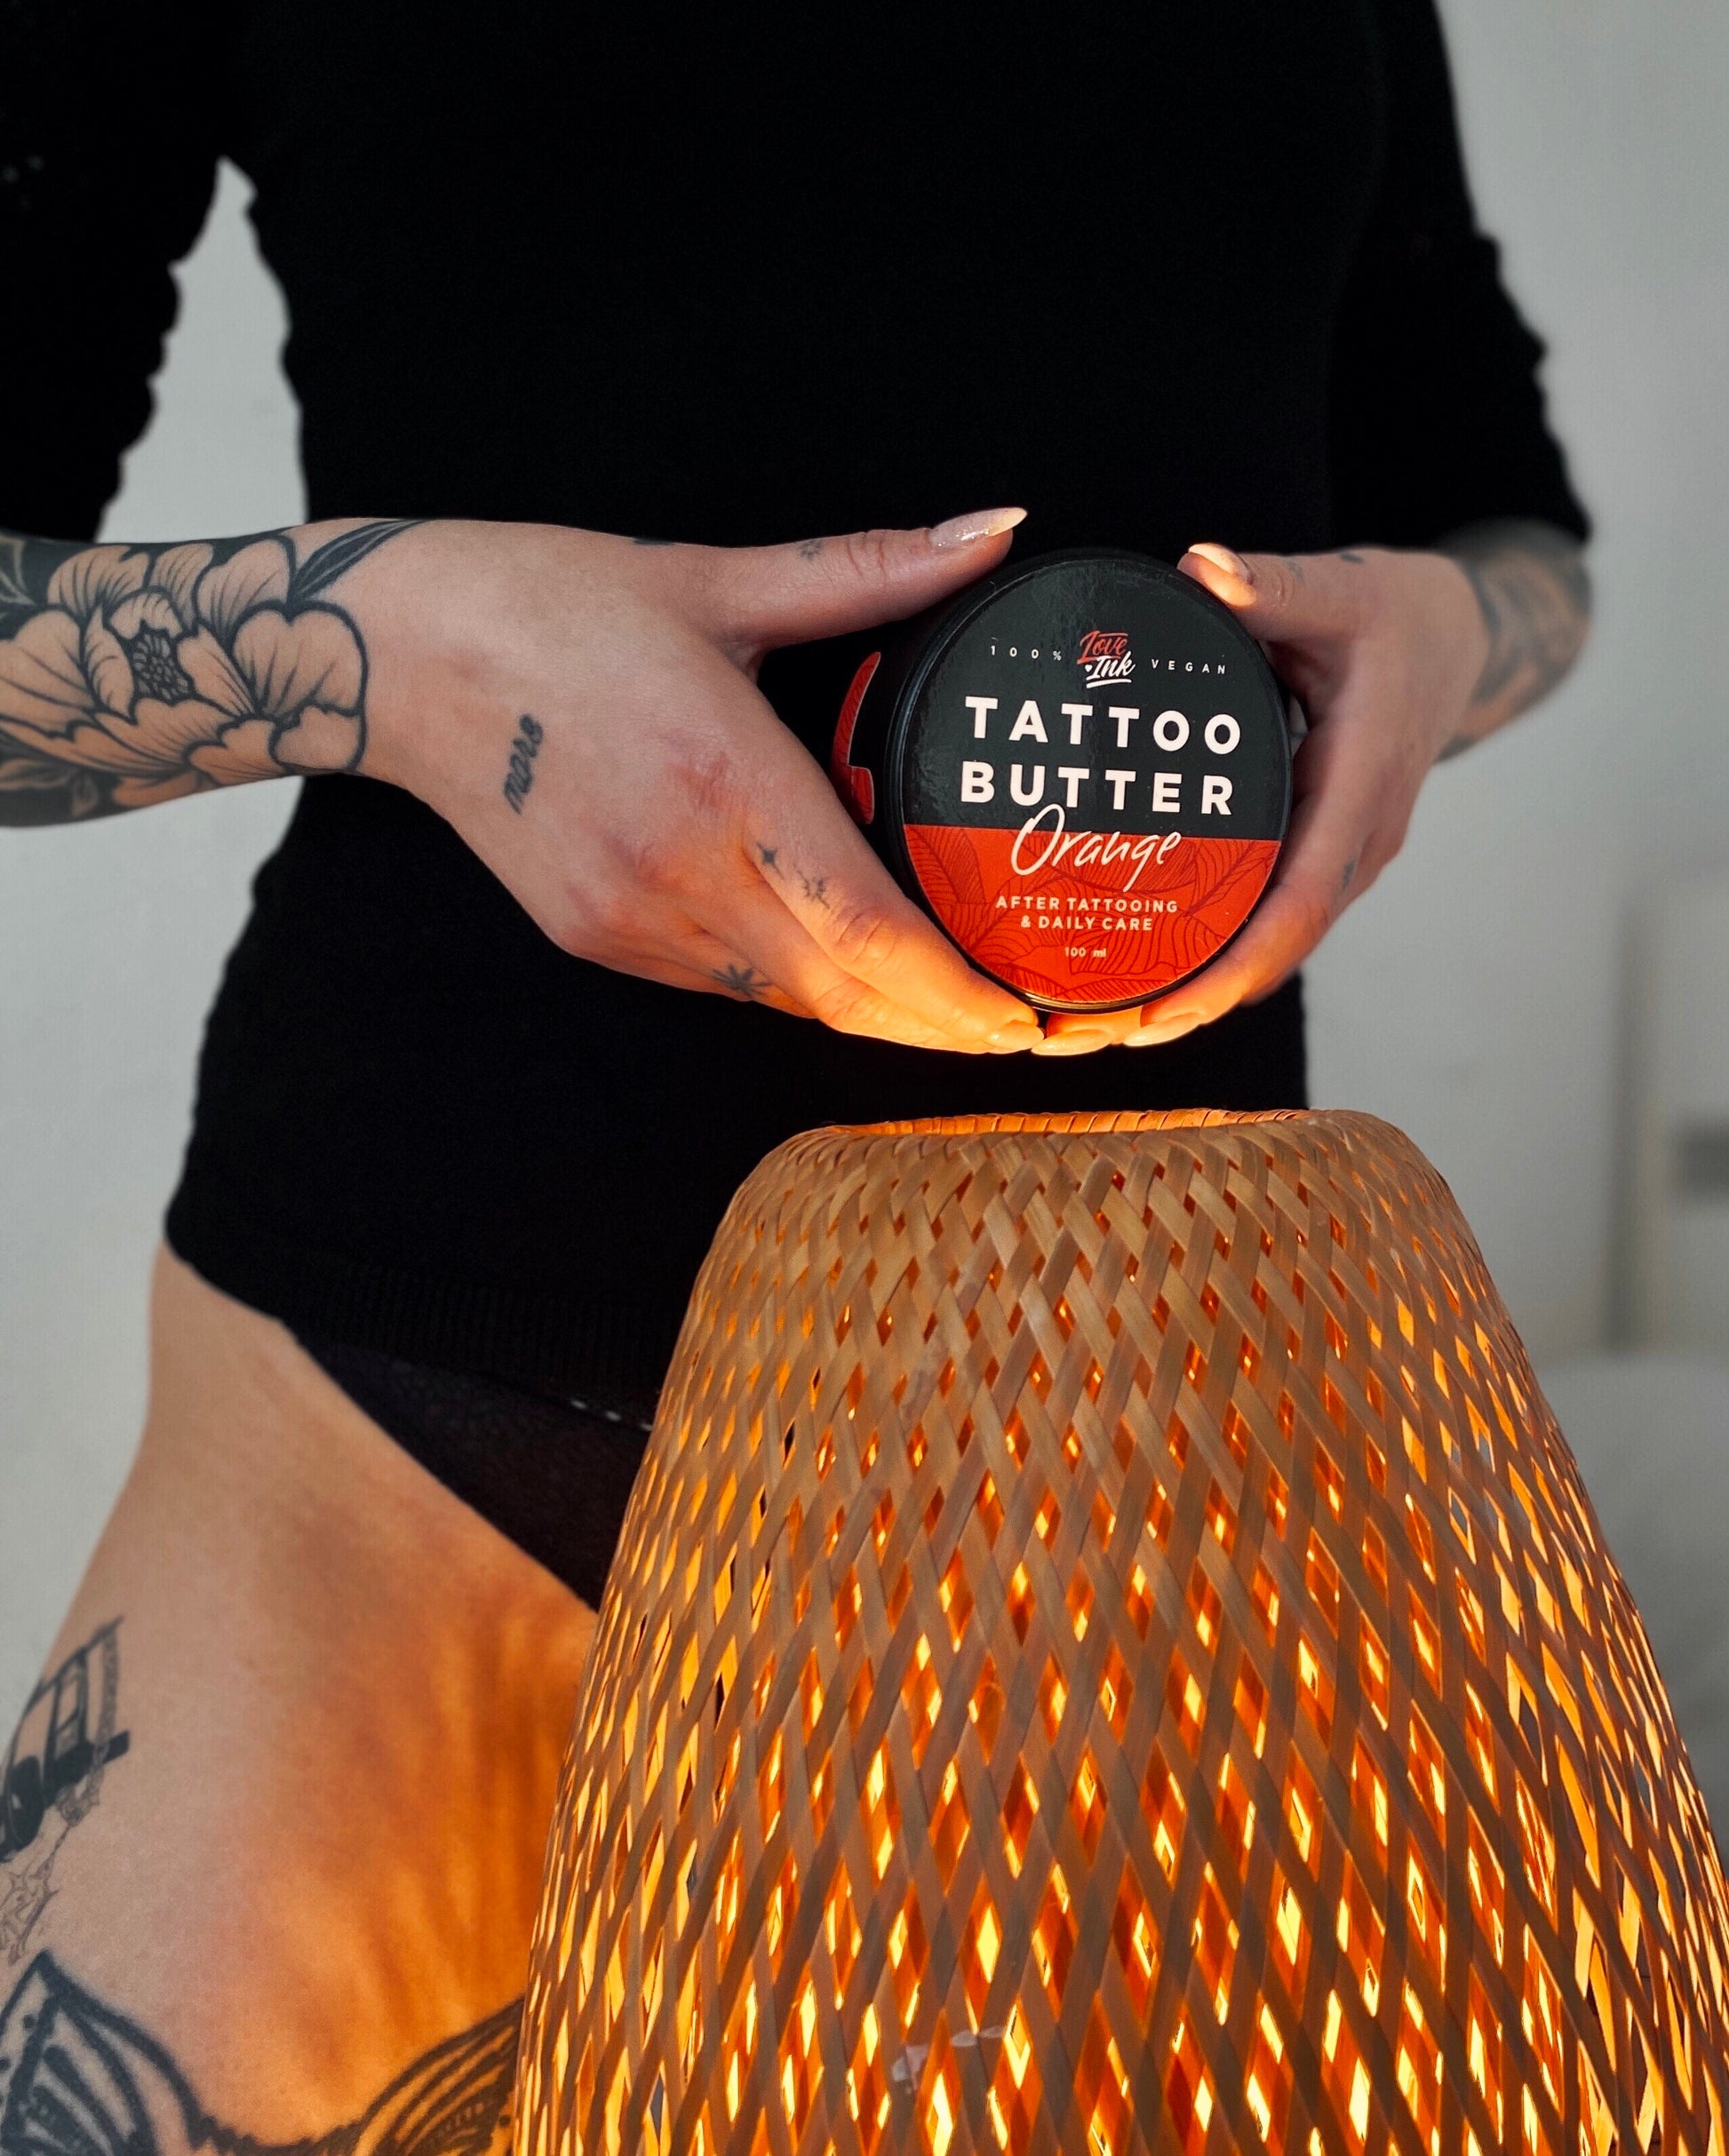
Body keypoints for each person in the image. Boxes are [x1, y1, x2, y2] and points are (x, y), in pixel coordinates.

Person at [0, 0, 1590, 2136]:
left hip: (1145, 1467)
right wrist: (399, 646)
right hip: (396, 1424)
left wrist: (1432, 637)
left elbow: (1513, 526)